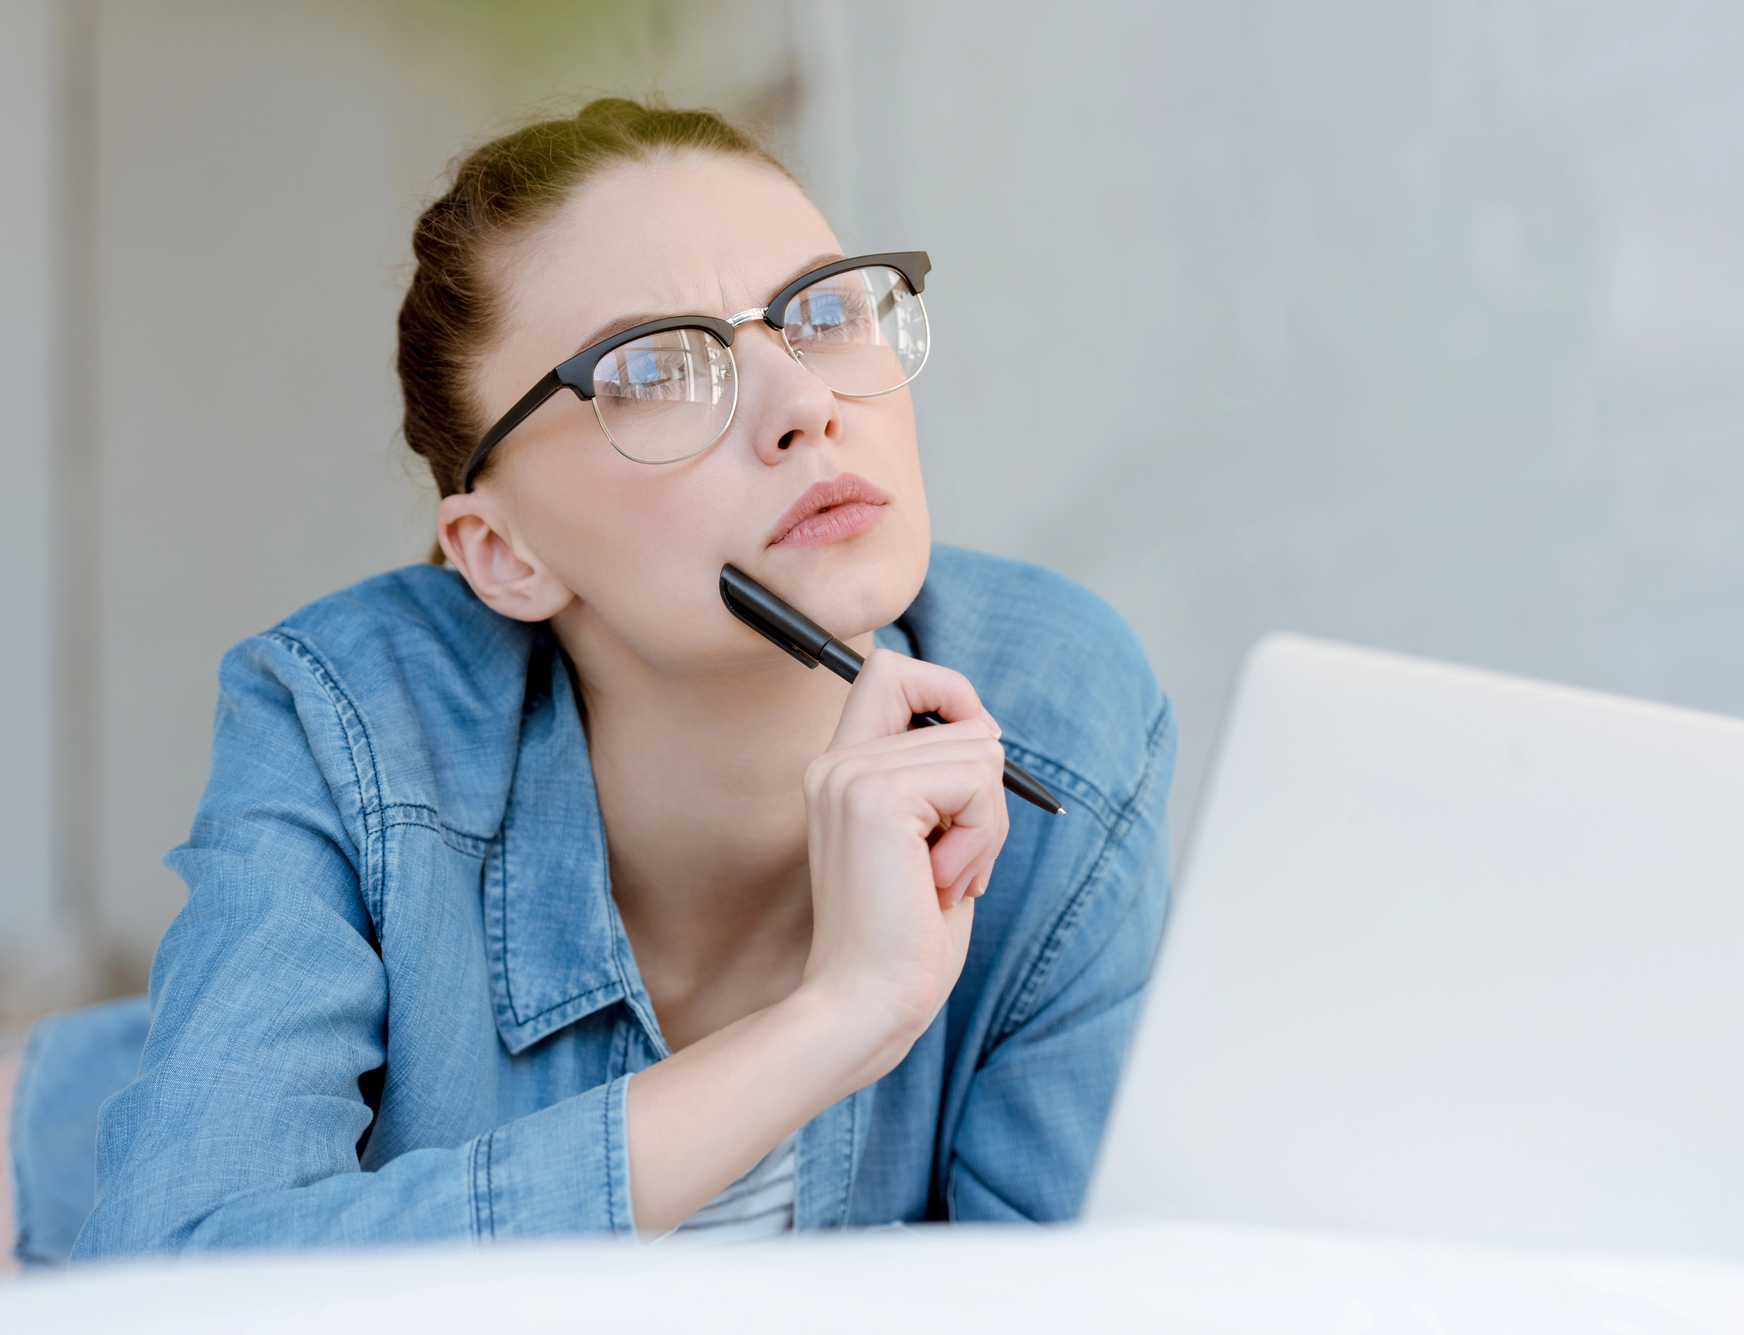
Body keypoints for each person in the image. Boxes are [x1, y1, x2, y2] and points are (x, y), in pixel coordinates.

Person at [4, 99, 1174, 1262]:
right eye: (658, 369)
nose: (806, 408)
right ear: (505, 554)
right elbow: (180, 1276)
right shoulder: (348, 716)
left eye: (821, 314)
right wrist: (832, 1021)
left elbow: (1064, 1289)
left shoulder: (1060, 707)